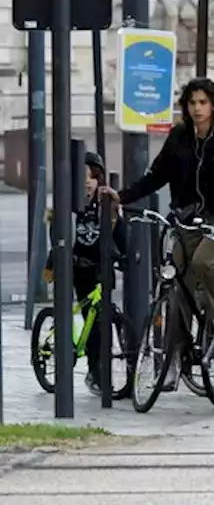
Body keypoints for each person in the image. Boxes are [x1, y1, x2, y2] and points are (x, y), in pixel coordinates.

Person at [106, 78, 214, 365]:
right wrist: (122, 196)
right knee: (178, 284)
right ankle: (177, 357)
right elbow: (156, 176)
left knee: (203, 262)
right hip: (186, 219)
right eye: (192, 103)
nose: (197, 108)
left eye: (203, 102)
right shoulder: (179, 137)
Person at [43, 150, 128, 395]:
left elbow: (120, 235)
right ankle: (85, 366)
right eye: (83, 177)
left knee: (101, 321)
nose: (87, 182)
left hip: (101, 268)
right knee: (86, 318)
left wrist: (126, 256)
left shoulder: (106, 205)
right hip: (77, 266)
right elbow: (57, 234)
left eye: (92, 176)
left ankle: (99, 372)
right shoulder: (68, 203)